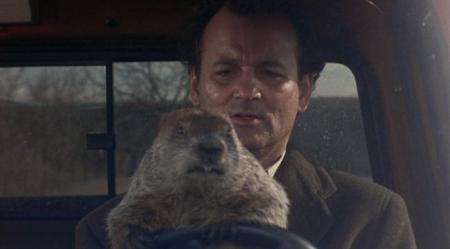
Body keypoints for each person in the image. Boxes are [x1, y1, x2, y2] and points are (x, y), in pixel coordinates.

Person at [75, 1, 417, 248]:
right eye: (225, 72)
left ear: (304, 91)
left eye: (270, 72)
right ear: (195, 87)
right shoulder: (102, 232)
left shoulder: (372, 216)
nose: (247, 90)